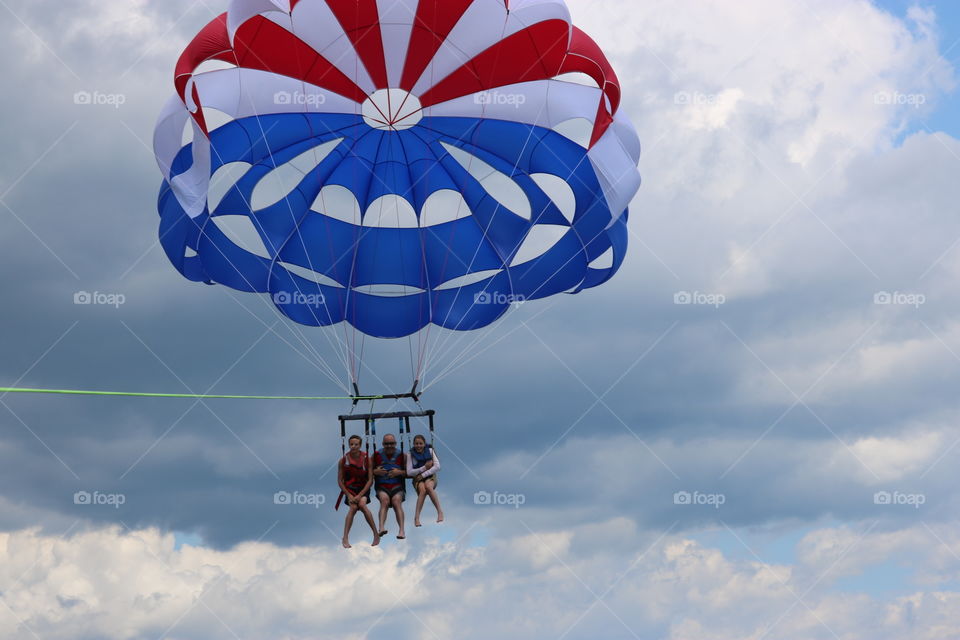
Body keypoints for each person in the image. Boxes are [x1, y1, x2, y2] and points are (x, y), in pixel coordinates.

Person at [336, 435, 379, 549]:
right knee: (353, 508)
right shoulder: (343, 460)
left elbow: (370, 480)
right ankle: (345, 537)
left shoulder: (366, 459)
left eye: (356, 444)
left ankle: (375, 533)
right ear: (349, 445)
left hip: (363, 488)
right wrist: (349, 495)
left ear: (360, 445)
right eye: (351, 444)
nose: (353, 446)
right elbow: (340, 481)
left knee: (362, 505)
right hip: (350, 489)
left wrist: (360, 495)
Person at [373, 434, 406, 539]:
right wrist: (375, 471)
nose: (389, 446)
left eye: (391, 443)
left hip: (397, 486)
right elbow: (368, 472)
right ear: (383, 444)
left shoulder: (402, 455)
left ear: (395, 444)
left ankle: (401, 530)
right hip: (382, 486)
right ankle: (381, 527)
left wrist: (399, 472)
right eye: (386, 444)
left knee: (396, 501)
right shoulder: (376, 455)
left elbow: (409, 473)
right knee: (385, 500)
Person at [407, 435, 444, 527]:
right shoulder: (410, 455)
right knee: (422, 490)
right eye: (416, 444)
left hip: (430, 476)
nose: (418, 446)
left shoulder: (430, 452)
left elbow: (437, 466)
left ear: (424, 444)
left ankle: (439, 511)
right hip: (417, 478)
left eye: (420, 444)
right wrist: (424, 468)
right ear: (413, 444)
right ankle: (416, 518)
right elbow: (409, 472)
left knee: (428, 487)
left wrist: (423, 474)